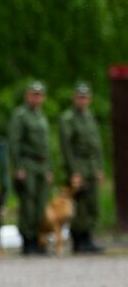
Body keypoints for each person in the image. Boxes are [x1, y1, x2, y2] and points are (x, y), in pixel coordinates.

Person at [59, 81, 105, 253]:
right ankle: (79, 239)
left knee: (93, 203)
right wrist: (73, 171)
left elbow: (97, 145)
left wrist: (99, 168)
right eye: (80, 97)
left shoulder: (90, 116)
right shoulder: (68, 118)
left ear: (90, 99)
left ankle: (88, 237)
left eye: (85, 97)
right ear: (74, 98)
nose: (82, 100)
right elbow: (67, 148)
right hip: (78, 165)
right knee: (80, 205)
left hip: (91, 165)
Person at [9, 80, 53, 255]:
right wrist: (18, 167)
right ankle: (28, 240)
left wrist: (49, 169)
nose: (37, 98)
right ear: (28, 96)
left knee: (41, 203)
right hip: (27, 163)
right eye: (34, 94)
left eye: (40, 95)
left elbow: (46, 146)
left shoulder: (41, 116)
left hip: (42, 164)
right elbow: (15, 142)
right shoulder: (20, 115)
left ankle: (39, 239)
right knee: (28, 203)